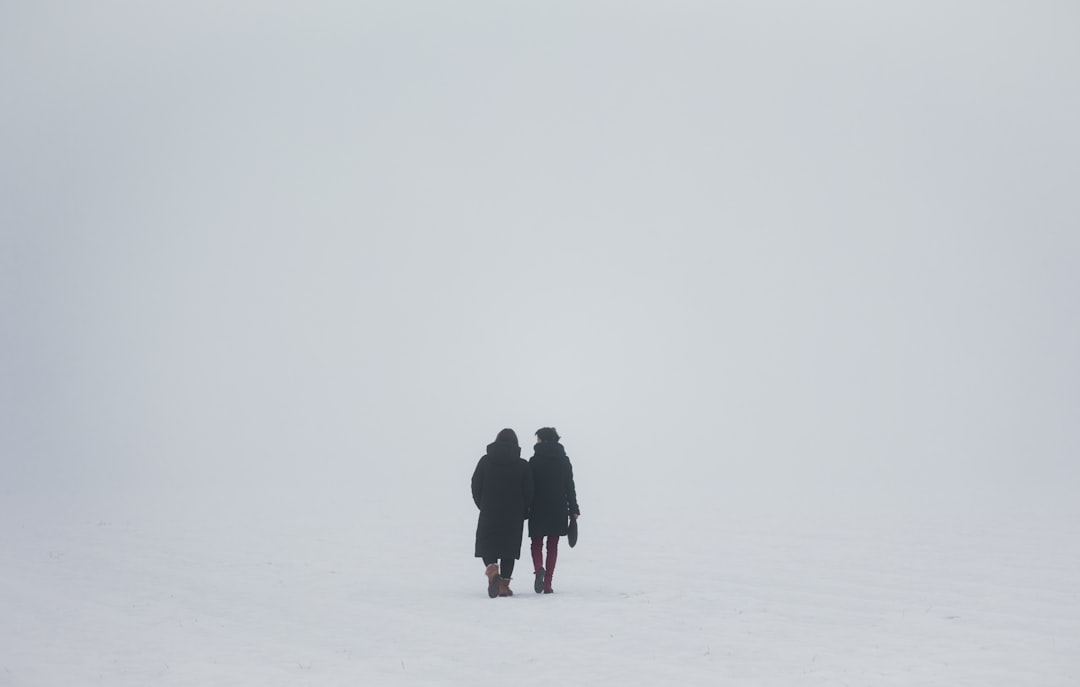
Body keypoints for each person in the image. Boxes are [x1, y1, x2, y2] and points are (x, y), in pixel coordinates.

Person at [471, 428, 533, 598]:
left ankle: (492, 570)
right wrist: (524, 510)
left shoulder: (485, 461)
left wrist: (482, 504)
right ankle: (504, 586)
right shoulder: (523, 465)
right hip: (513, 514)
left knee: (488, 544)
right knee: (509, 549)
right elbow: (529, 491)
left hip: (490, 510)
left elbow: (475, 485)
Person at [527, 427, 580, 594]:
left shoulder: (534, 461)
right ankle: (548, 584)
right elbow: (569, 486)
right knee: (553, 545)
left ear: (543, 440)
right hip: (558, 508)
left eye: (538, 439)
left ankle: (538, 568)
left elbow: (528, 487)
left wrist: (526, 506)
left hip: (537, 507)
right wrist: (574, 508)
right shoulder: (564, 461)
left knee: (536, 543)